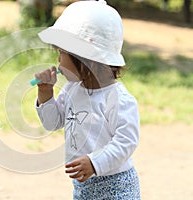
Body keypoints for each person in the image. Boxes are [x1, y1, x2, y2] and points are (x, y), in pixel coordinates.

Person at [33, 0, 141, 199]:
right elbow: (52, 122)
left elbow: (126, 142)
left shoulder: (118, 99)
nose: (58, 60)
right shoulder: (72, 89)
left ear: (85, 58)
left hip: (116, 186)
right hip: (84, 185)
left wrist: (95, 162)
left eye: (61, 53)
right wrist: (46, 93)